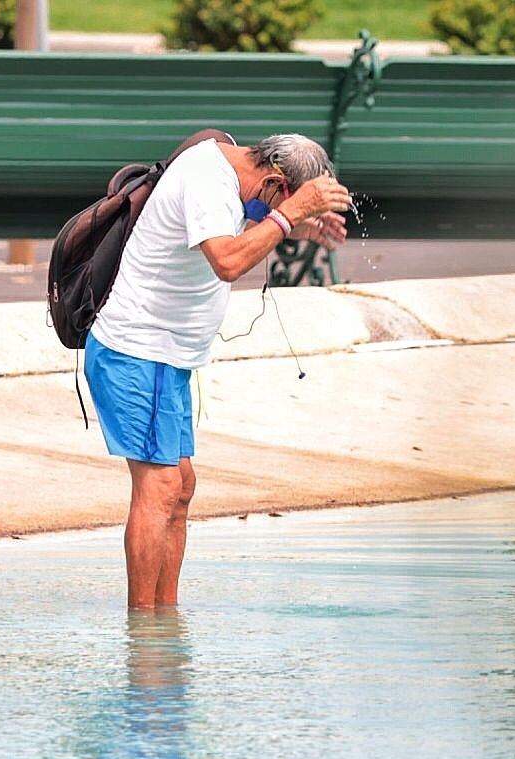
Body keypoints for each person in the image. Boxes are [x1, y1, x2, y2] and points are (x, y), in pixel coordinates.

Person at [84, 133, 352, 609]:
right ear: (274, 178)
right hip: (137, 349)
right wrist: (287, 215)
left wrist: (298, 221)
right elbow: (228, 260)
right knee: (160, 486)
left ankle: (165, 619)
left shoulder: (235, 171)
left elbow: (251, 212)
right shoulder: (209, 178)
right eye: (287, 198)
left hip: (169, 358)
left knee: (181, 488)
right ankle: (144, 629)